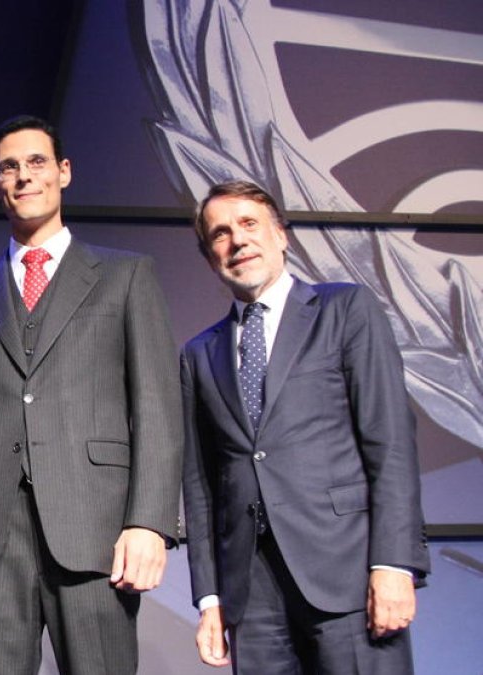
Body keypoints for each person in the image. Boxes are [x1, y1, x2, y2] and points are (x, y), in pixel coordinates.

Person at [0, 115, 183, 674]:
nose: (24, 176)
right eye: (9, 167)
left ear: (63, 172)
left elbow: (158, 410)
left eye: (37, 162)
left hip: (95, 529)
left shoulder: (126, 276)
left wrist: (149, 522)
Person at [180, 180, 430, 673]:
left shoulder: (345, 310)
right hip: (251, 594)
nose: (238, 240)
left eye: (250, 224)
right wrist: (209, 598)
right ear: (210, 256)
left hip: (349, 574)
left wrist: (394, 564)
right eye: (221, 234)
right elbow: (201, 483)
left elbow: (391, 444)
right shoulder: (198, 354)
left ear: (280, 234)